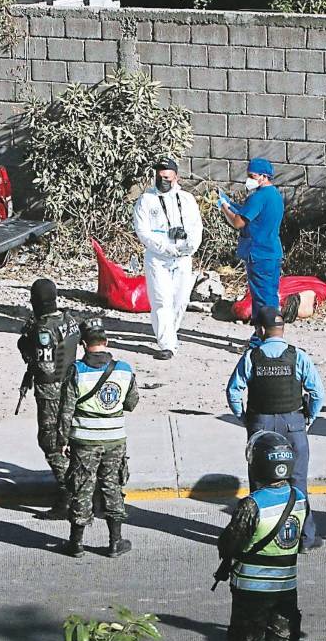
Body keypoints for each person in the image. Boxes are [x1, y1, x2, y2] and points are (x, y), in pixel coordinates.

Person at [216, 431, 308, 641]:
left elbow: (230, 542)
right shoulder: (299, 498)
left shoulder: (252, 504)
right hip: (285, 588)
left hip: (251, 592)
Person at [226, 306, 326, 552]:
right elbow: (317, 393)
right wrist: (308, 418)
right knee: (297, 482)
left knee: (260, 484)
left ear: (260, 330)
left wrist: (245, 418)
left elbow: (233, 391)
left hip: (261, 427)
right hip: (293, 425)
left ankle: (259, 537)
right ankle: (305, 538)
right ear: (283, 329)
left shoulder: (251, 357)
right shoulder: (298, 356)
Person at [57, 317, 139, 558]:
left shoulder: (76, 371)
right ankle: (115, 541)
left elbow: (66, 410)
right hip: (114, 439)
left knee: (82, 488)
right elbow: (131, 402)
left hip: (84, 440)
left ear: (83, 343)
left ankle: (77, 543)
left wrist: (62, 441)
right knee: (113, 486)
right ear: (107, 341)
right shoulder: (124, 369)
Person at [17, 278, 82, 520]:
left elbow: (44, 367)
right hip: (73, 385)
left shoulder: (43, 329)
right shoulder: (70, 320)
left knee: (51, 443)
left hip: (51, 392)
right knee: (67, 438)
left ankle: (69, 493)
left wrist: (27, 346)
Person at [133, 157, 204, 360]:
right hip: (158, 258)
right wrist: (164, 247)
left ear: (176, 177)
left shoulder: (187, 199)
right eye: (159, 176)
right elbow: (143, 231)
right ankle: (167, 344)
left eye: (167, 177)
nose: (162, 180)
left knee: (180, 300)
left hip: (182, 257)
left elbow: (196, 227)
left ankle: (171, 334)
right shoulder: (146, 200)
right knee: (161, 300)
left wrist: (188, 246)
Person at [219, 158, 284, 322]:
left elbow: (238, 222)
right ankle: (271, 336)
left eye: (252, 176)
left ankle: (263, 338)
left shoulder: (259, 197)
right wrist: (232, 204)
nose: (249, 179)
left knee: (261, 300)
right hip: (272, 252)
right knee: (270, 296)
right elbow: (252, 214)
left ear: (263, 176)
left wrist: (224, 207)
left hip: (258, 253)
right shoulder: (275, 195)